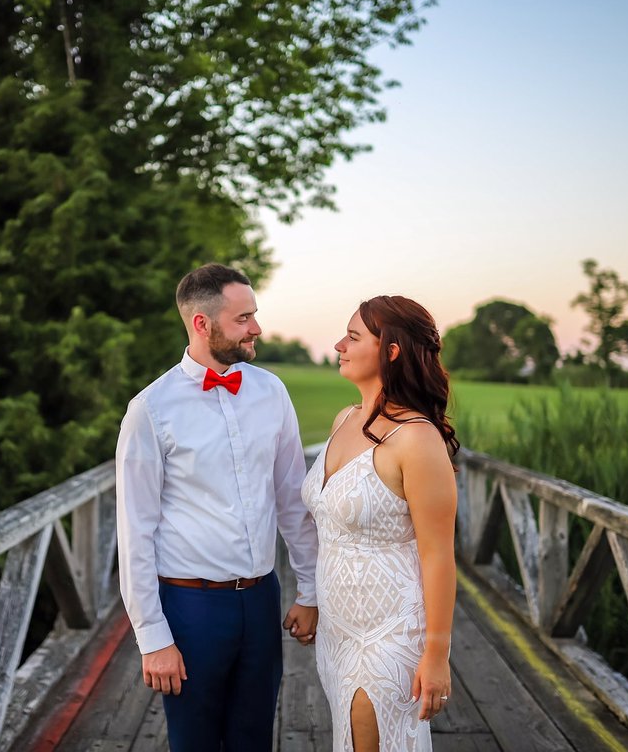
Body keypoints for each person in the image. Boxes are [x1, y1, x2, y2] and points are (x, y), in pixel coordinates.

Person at [115, 263, 320, 752]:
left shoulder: (272, 391)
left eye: (254, 315)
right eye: (243, 318)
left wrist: (309, 589)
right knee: (195, 743)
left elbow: (293, 498)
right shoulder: (151, 408)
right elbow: (135, 530)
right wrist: (153, 637)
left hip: (260, 598)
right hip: (191, 608)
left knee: (255, 740)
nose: (256, 328)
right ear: (202, 324)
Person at [301, 295, 459, 752]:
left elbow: (439, 556)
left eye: (353, 337)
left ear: (391, 350)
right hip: (337, 630)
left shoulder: (416, 439)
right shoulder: (344, 419)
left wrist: (436, 655)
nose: (338, 345)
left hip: (389, 634)